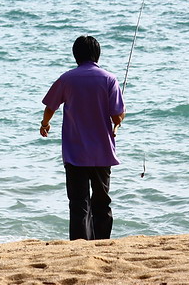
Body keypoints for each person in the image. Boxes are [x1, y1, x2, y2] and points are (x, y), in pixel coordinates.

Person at [39, 35, 125, 240]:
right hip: (102, 152)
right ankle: (102, 241)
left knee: (79, 203)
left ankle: (79, 243)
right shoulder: (109, 79)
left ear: (75, 55)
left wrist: (44, 124)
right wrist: (120, 119)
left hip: (75, 151)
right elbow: (116, 115)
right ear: (97, 54)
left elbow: (50, 106)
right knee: (102, 202)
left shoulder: (67, 78)